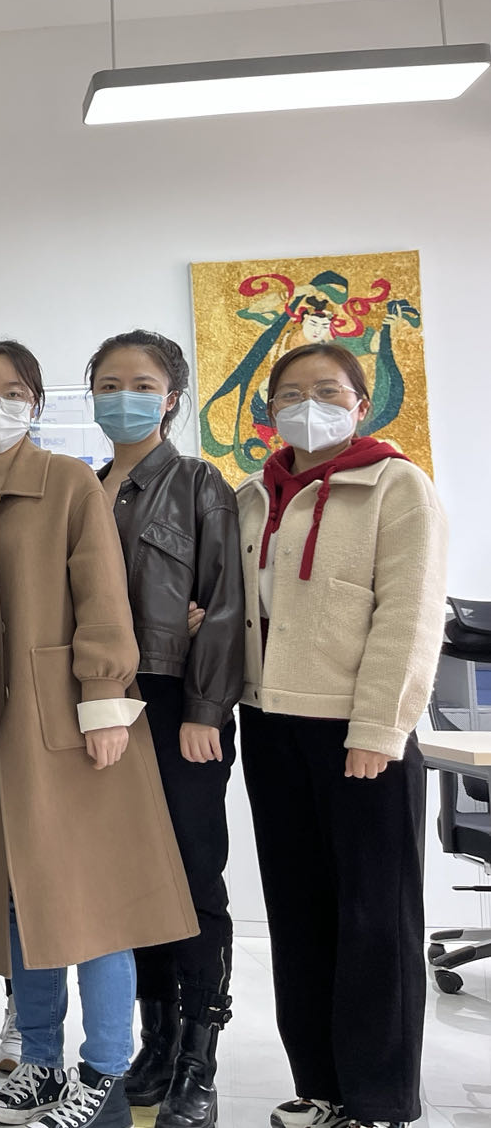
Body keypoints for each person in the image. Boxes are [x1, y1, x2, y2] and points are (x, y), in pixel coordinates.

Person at [0, 340, 196, 1128]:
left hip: (66, 719)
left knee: (92, 902)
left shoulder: (66, 482)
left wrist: (102, 699)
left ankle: (105, 1074)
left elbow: (101, 594)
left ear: (35, 402)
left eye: (12, 391)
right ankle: (42, 1063)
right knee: (20, 899)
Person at [235, 343, 445, 1128]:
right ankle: (320, 1085)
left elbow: (410, 615)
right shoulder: (252, 496)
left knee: (374, 918)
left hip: (359, 731)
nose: (308, 406)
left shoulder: (396, 485)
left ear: (361, 404)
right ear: (270, 411)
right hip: (270, 721)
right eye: (290, 394)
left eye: (327, 391)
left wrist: (380, 727)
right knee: (298, 911)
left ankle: (378, 1099)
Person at [88, 332, 244, 1128]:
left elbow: (224, 606)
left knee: (191, 878)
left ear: (172, 397)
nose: (125, 397)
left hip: (177, 703)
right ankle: (156, 1042)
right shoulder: (82, 487)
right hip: (102, 706)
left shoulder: (198, 483)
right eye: (109, 383)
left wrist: (205, 710)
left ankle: (199, 1061)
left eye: (142, 383)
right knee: (130, 880)